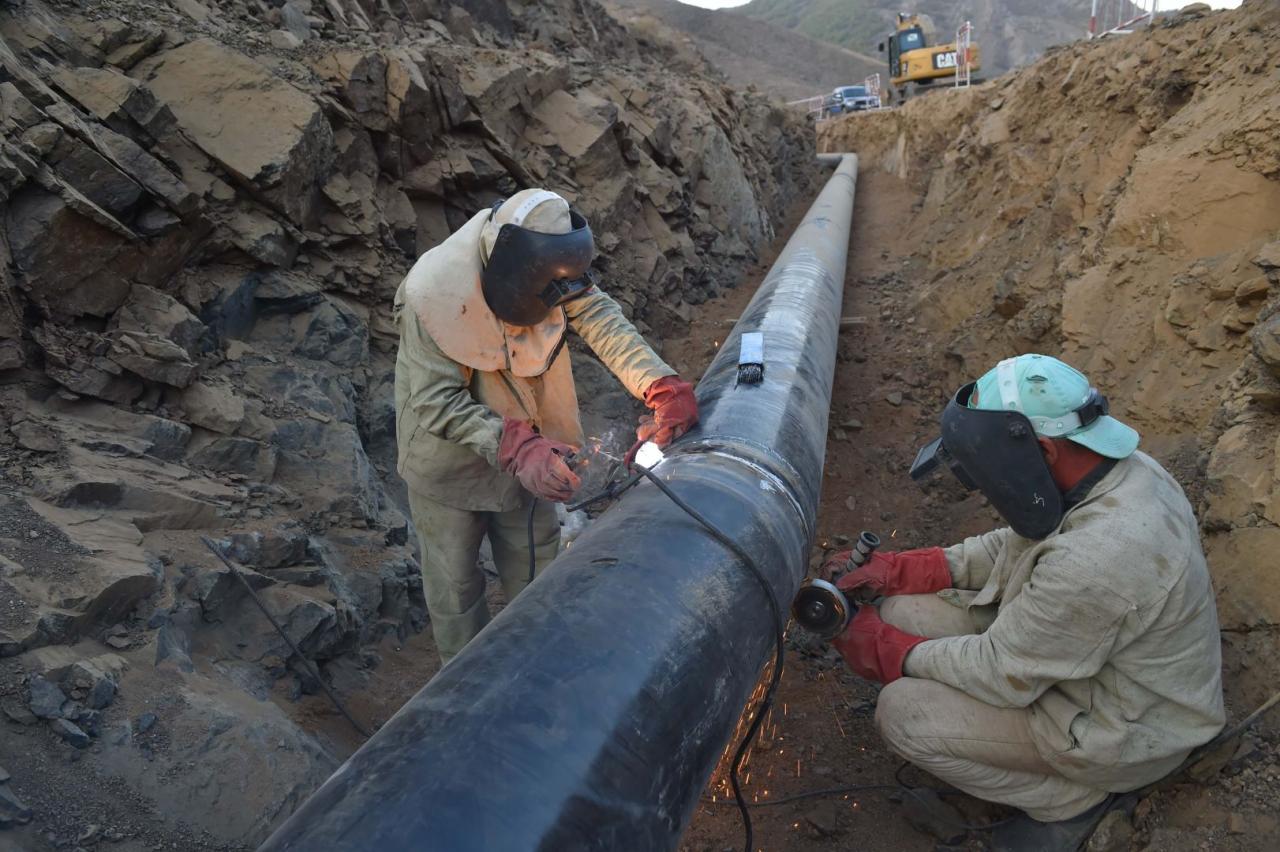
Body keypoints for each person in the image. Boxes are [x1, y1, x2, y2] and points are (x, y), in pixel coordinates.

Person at [824, 354, 1224, 851]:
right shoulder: (1115, 471)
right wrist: (900, 570)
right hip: (1088, 663)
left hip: (1128, 728)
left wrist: (890, 652)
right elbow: (1011, 543)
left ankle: (1073, 801)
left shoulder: (1101, 554)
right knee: (903, 608)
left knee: (902, 711)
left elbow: (1001, 672)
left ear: (1043, 449)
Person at [393, 188, 698, 663]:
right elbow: (435, 401)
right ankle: (465, 697)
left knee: (537, 574)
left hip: (533, 454)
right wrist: (517, 447)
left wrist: (657, 382)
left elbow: (600, 318)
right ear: (510, 270)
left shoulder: (548, 266)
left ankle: (542, 670)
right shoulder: (432, 293)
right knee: (455, 589)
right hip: (449, 468)